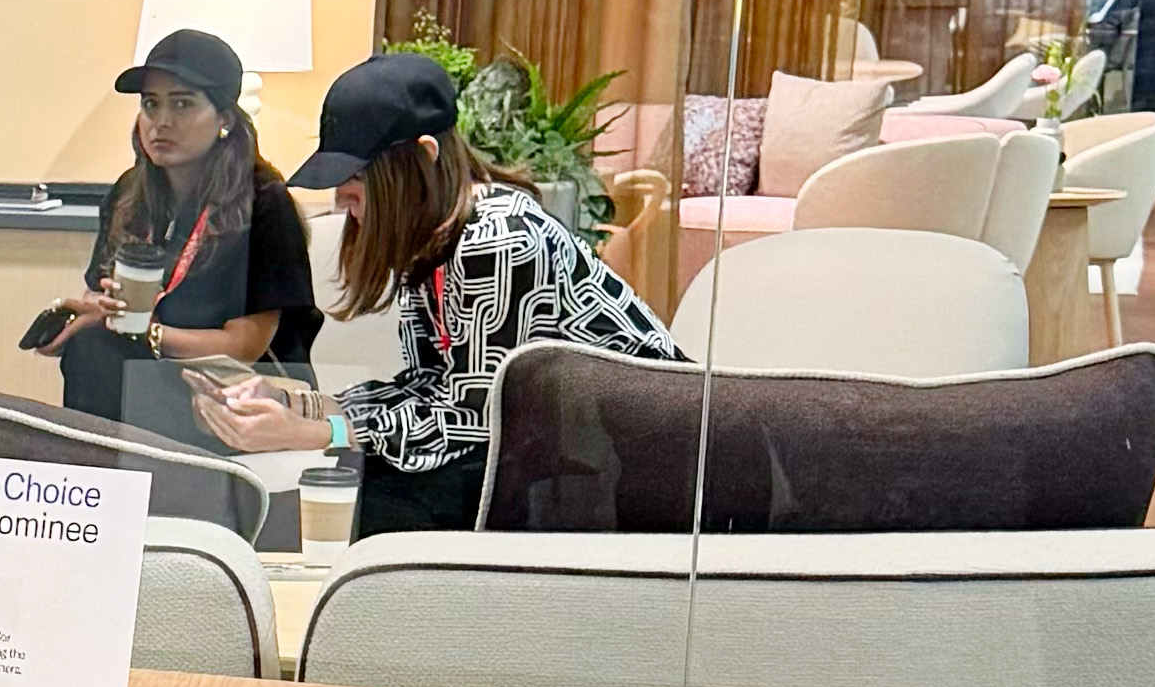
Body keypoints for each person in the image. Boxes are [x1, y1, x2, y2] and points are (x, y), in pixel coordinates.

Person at [292, 44, 683, 537]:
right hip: (560, 456)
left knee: (388, 487)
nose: (339, 196)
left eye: (355, 176)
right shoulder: (431, 241)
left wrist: (331, 431)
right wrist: (319, 407)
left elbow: (473, 421)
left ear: (424, 156)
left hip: (642, 462)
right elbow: (437, 385)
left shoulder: (496, 239)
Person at [42, 29, 319, 440]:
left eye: (183, 104)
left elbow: (245, 345)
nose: (162, 122)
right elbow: (103, 293)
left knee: (105, 356)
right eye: (151, 105)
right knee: (91, 350)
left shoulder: (263, 201)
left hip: (242, 387)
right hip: (151, 373)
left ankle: (115, 484)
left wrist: (146, 333)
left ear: (224, 118)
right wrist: (94, 311)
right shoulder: (129, 194)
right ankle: (100, 485)